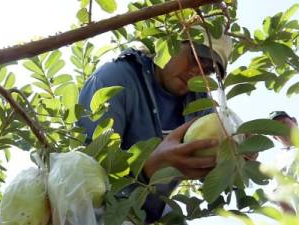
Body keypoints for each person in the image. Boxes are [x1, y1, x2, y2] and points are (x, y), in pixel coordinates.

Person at [77, 27, 232, 223]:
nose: (197, 72)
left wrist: (234, 156)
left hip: (153, 212)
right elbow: (88, 170)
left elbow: (215, 158)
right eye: (194, 58)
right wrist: (147, 168)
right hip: (101, 210)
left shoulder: (199, 102)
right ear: (169, 43)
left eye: (207, 70)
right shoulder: (115, 78)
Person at [268, 111, 299, 213]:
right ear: (275, 137)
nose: (283, 129)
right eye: (276, 129)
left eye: (284, 123)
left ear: (294, 121)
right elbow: (280, 198)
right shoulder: (278, 163)